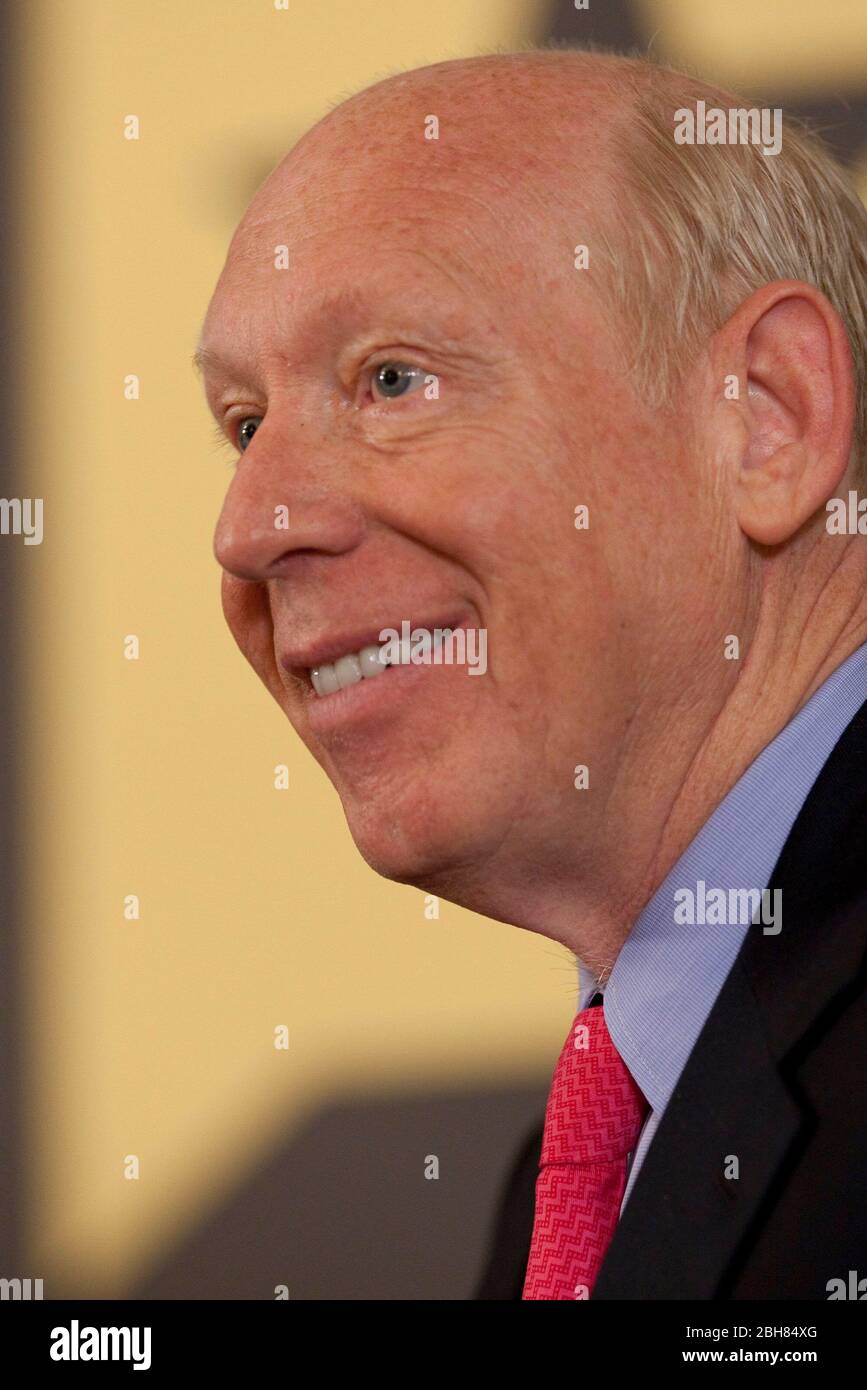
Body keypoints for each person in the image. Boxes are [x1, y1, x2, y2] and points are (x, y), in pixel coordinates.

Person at [197, 48, 867, 1299]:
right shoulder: (580, 1176)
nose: (249, 526)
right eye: (244, 425)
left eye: (391, 379)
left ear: (765, 416)